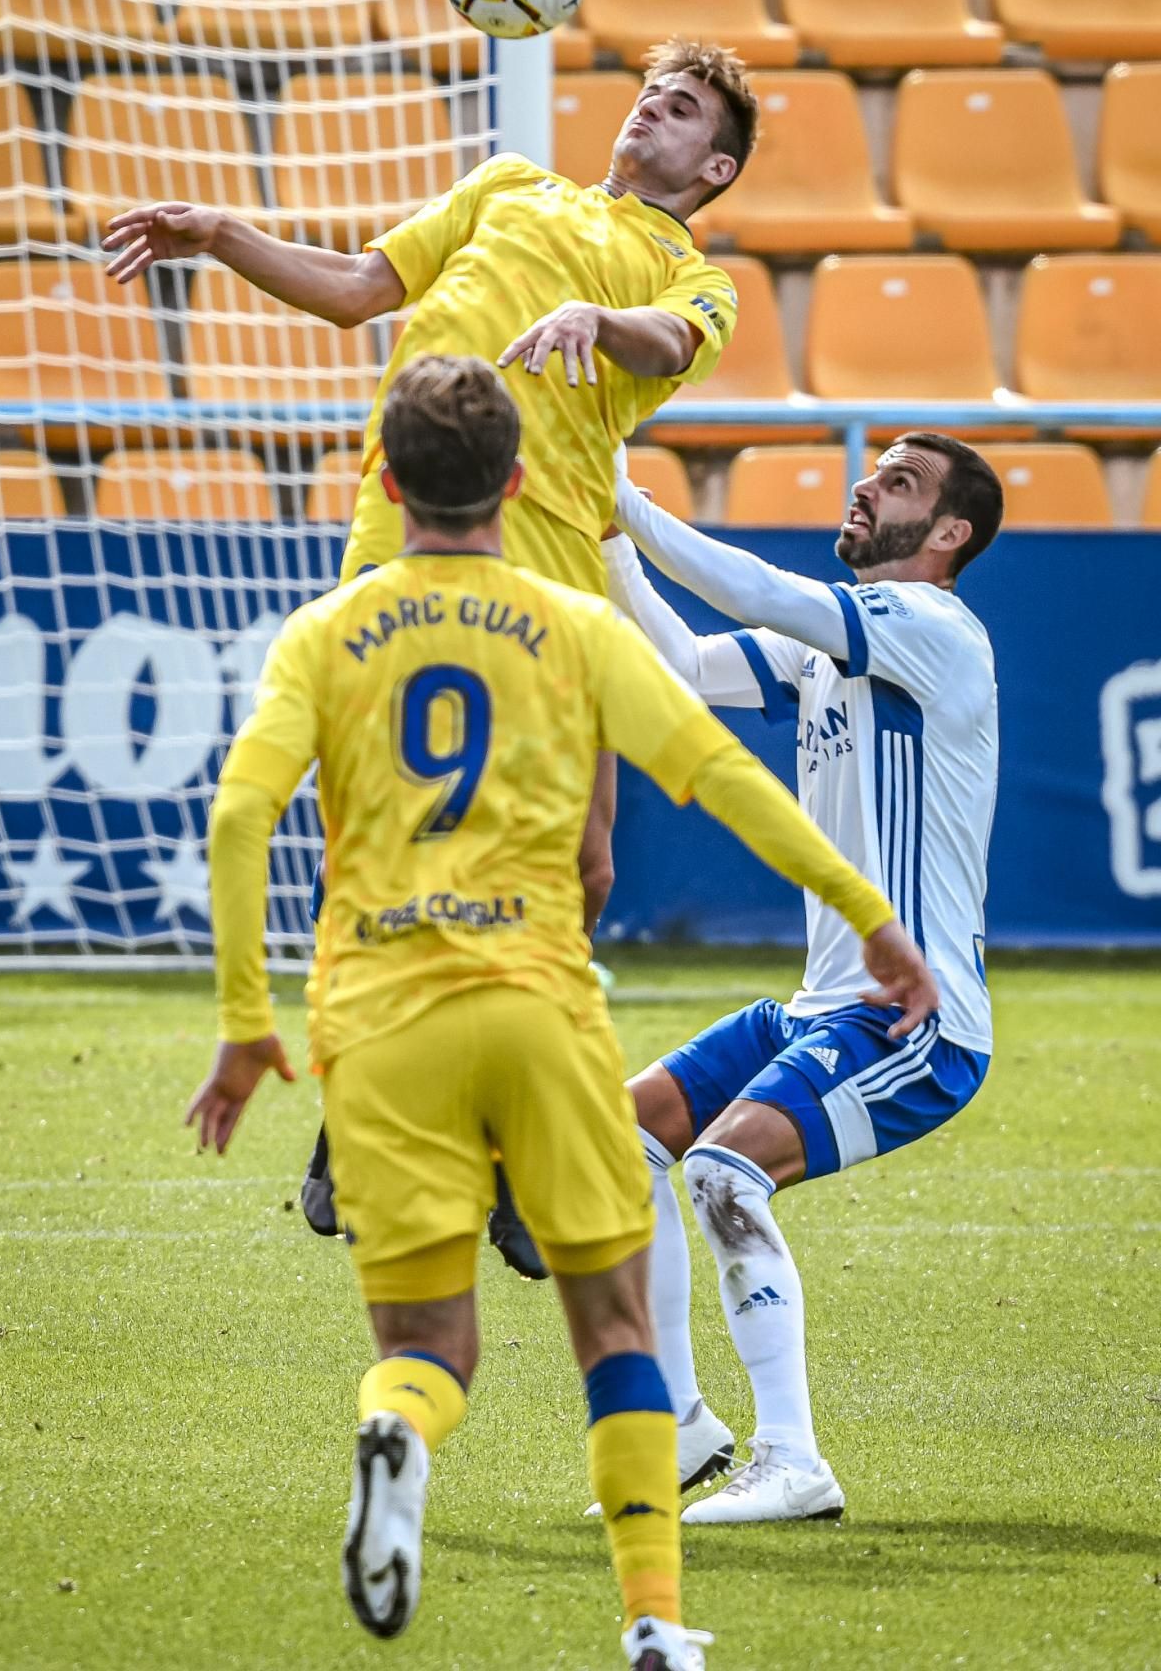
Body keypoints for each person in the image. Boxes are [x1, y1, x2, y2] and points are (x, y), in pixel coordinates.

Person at [183, 357, 937, 1671]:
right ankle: (651, 1622)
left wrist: (250, 1020)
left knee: (428, 1345)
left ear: (387, 479)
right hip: (538, 1003)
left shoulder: (323, 632)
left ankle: (403, 1435)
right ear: (521, 483)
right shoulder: (571, 624)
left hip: (378, 1019)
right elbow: (715, 776)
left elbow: (242, 814)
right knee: (614, 1330)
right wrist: (867, 917)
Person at [105, 37, 761, 1267]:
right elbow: (361, 287)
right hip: (405, 524)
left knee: (586, 865)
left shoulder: (696, 280)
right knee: (383, 827)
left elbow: (668, 347)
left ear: (713, 164)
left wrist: (596, 317)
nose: (650, 112)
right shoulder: (508, 185)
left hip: (556, 559)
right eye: (646, 95)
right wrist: (224, 235)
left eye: (680, 109)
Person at [600, 431, 1002, 1525]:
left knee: (724, 1173)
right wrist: (607, 544)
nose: (868, 485)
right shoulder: (834, 644)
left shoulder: (929, 629)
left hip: (917, 1022)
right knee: (617, 1139)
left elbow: (762, 587)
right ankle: (684, 1429)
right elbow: (681, 670)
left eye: (902, 482)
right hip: (823, 1003)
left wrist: (623, 496)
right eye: (873, 470)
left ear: (951, 533)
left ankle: (793, 1458)